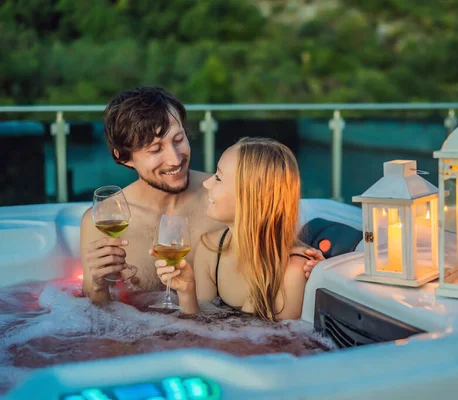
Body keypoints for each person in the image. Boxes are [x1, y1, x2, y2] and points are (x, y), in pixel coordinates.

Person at [80, 87, 322, 304]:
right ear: (123, 157)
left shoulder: (226, 198)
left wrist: (316, 267)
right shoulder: (102, 220)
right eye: (155, 149)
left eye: (178, 139)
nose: (175, 159)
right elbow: (95, 314)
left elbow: (275, 244)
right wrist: (100, 287)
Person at [155, 137, 311, 320]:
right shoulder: (211, 249)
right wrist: (186, 291)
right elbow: (196, 330)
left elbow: (275, 343)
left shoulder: (292, 271)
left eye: (218, 178)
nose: (206, 183)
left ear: (251, 196)